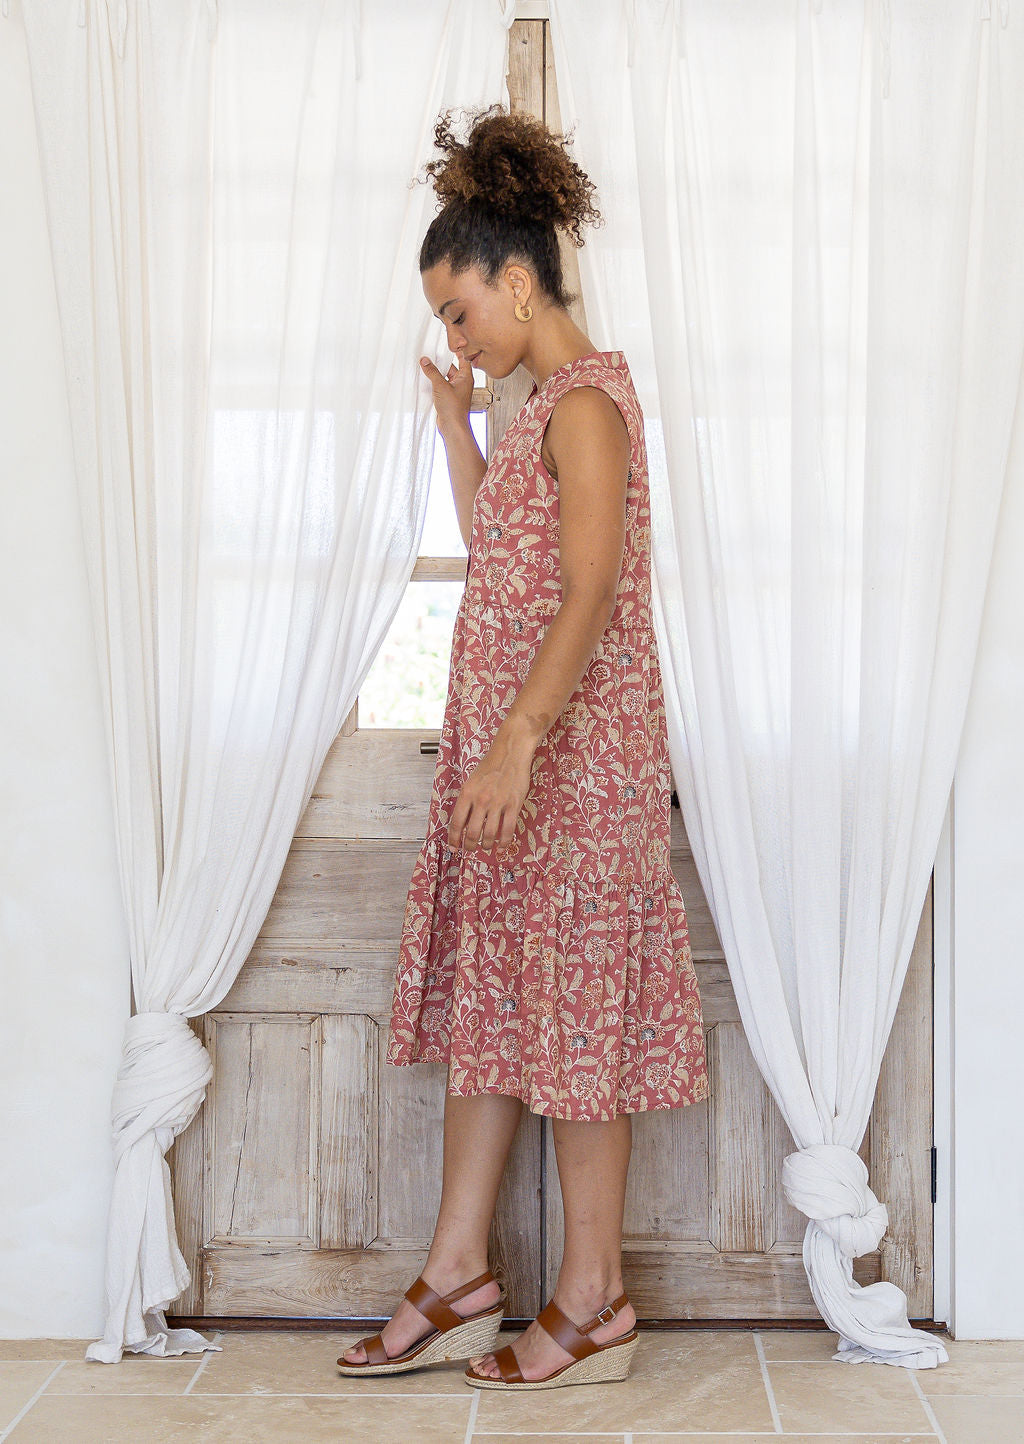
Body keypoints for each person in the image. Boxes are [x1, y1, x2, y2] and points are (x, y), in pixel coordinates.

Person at [338, 105, 709, 1391]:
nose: (456, 336)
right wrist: (456, 431)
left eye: (457, 312)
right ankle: (460, 1272)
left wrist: (516, 743)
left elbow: (591, 589)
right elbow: (511, 549)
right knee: (504, 1011)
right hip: (515, 777)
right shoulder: (536, 405)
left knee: (573, 1021)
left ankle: (594, 1299)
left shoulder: (591, 404)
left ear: (514, 278)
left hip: (572, 770)